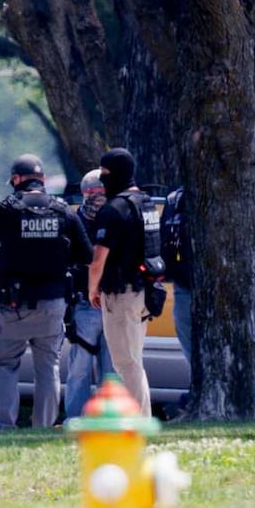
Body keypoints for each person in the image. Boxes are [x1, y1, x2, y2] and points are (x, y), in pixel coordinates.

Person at [0, 154, 92, 429]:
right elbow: (86, 254)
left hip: (14, 305)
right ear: (43, 180)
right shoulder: (63, 210)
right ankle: (44, 428)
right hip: (53, 303)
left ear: (15, 180)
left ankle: (4, 427)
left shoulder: (6, 209)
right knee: (48, 368)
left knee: (4, 365)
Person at [87, 148, 158, 417]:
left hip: (121, 293)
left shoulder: (114, 208)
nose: (102, 179)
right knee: (133, 360)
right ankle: (140, 417)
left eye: (105, 173)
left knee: (126, 363)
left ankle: (137, 421)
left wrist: (92, 289)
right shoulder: (146, 203)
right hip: (144, 291)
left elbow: (98, 260)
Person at [63, 169, 114, 420]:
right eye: (96, 193)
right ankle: (76, 419)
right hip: (84, 305)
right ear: (86, 194)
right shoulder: (74, 222)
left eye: (103, 192)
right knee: (79, 369)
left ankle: (110, 420)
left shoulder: (115, 217)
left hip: (113, 301)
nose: (100, 198)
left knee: (112, 370)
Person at [162, 185, 196, 414]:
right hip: (183, 286)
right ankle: (197, 391)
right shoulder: (174, 201)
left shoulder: (217, 195)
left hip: (215, 288)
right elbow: (164, 241)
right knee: (190, 349)